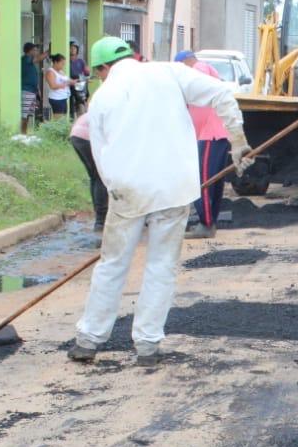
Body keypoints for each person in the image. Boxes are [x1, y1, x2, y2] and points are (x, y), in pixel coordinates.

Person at [69, 36, 254, 365]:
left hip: (128, 190)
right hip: (173, 187)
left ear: (102, 68)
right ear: (132, 57)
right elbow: (222, 92)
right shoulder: (170, 73)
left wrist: (116, 188)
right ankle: (147, 344)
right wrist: (237, 139)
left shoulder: (103, 96)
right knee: (161, 266)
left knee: (112, 264)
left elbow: (100, 155)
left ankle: (89, 340)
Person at [176, 51, 231, 234]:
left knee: (203, 182)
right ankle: (209, 222)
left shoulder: (199, 68)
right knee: (213, 182)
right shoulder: (204, 73)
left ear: (185, 63)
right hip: (215, 134)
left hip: (211, 134)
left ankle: (206, 224)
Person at [69, 112, 107, 233]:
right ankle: (100, 221)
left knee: (94, 177)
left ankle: (99, 217)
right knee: (100, 176)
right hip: (87, 137)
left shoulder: (105, 106)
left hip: (76, 135)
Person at [20, 43, 41, 133]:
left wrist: (38, 90)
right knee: (24, 115)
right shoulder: (26, 59)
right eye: (35, 50)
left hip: (32, 91)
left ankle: (24, 133)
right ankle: (21, 134)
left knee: (28, 115)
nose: (36, 52)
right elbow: (38, 59)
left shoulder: (31, 63)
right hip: (26, 91)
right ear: (30, 51)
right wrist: (47, 53)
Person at [69, 41, 90, 116]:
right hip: (69, 85)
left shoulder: (81, 61)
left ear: (77, 50)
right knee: (70, 107)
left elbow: (87, 73)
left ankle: (81, 121)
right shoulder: (66, 61)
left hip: (79, 86)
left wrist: (87, 71)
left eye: (74, 48)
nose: (72, 49)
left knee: (81, 105)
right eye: (71, 48)